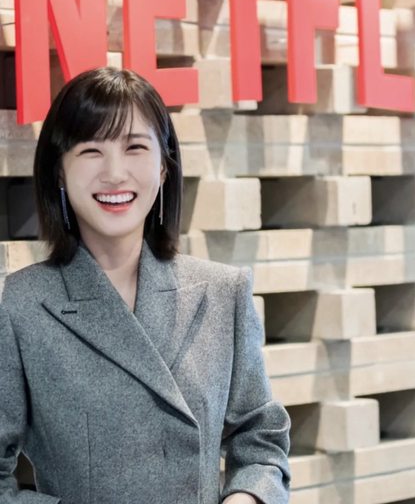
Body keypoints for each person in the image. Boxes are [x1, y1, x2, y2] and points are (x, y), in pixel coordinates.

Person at [0, 67, 291, 504]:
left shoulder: (221, 292)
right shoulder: (24, 305)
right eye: (91, 150)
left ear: (164, 167)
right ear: (59, 171)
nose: (115, 173)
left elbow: (261, 439)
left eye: (135, 147)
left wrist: (245, 499)